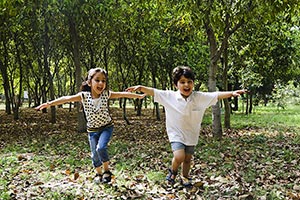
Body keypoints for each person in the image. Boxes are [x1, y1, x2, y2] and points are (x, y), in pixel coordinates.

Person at [126, 66, 246, 187]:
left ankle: (185, 177)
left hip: (192, 133)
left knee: (188, 159)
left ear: (193, 83)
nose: (186, 85)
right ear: (175, 85)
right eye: (182, 82)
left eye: (189, 82)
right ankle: (173, 172)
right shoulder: (169, 96)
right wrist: (141, 88)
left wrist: (232, 93)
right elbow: (154, 91)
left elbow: (216, 95)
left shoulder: (199, 97)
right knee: (179, 156)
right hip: (176, 133)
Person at [35, 68, 145, 184]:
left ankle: (107, 171)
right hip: (92, 131)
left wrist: (138, 96)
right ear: (89, 82)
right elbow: (66, 99)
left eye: (103, 81)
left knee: (101, 148)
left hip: (106, 127)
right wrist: (49, 103)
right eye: (97, 80)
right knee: (94, 154)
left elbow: (122, 94)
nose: (101, 83)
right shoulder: (83, 96)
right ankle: (98, 173)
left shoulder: (106, 94)